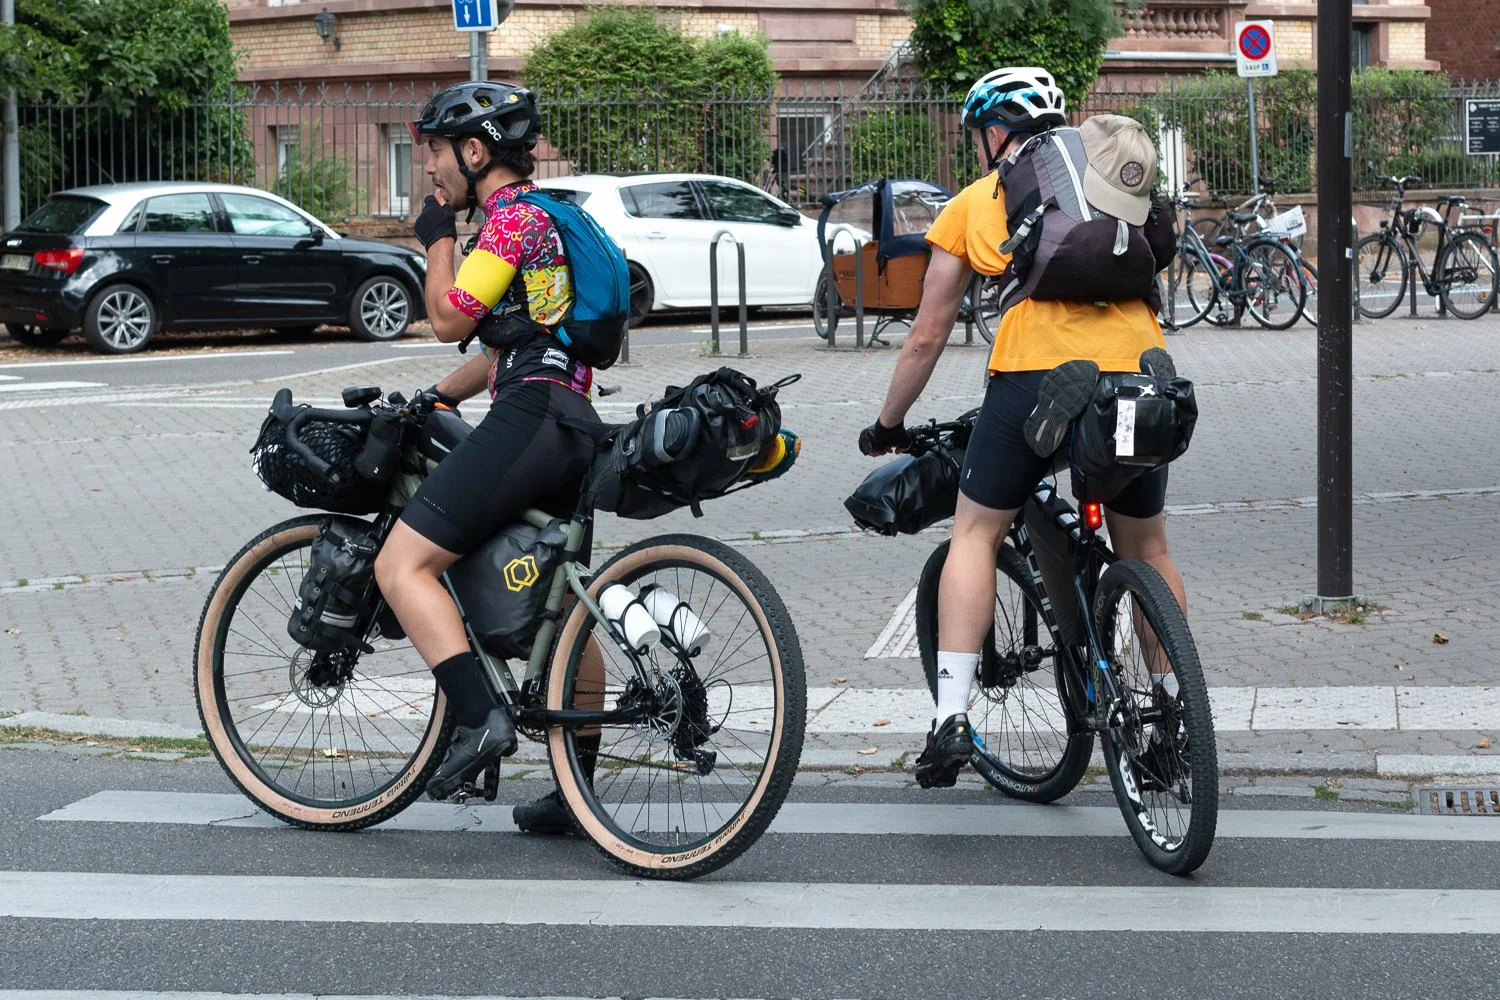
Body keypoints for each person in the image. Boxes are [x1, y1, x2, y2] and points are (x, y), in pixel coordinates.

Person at [859, 67, 1188, 788]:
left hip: (1036, 376)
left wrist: (889, 422)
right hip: (1141, 370)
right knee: (1148, 543)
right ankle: (1171, 713)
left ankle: (950, 720)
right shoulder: (1113, 184)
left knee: (975, 533)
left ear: (996, 131)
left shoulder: (980, 200)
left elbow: (928, 331)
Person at [373, 81, 598, 831]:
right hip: (571, 419)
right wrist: (436, 399)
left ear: (474, 152)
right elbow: (518, 344)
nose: (429, 169)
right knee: (565, 610)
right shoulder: (554, 218)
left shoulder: (512, 224)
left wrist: (434, 238)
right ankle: (577, 792)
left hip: (530, 416)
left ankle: (477, 721)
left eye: (434, 152)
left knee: (401, 565)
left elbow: (446, 318)